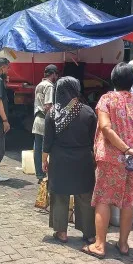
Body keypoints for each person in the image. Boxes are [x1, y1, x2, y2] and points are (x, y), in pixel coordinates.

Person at [84, 62, 133, 259]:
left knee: (104, 199)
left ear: (113, 79)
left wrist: (125, 149)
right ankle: (123, 244)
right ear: (132, 80)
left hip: (112, 158)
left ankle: (99, 245)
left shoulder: (107, 99)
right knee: (128, 201)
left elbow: (105, 128)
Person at [42, 77, 96, 244]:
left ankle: (61, 232)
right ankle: (89, 233)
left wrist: (44, 160)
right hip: (83, 160)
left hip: (60, 160)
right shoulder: (88, 112)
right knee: (85, 196)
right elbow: (93, 139)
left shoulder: (52, 113)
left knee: (60, 195)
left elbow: (47, 141)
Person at [32, 64, 58, 182]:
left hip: (37, 119)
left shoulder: (39, 85)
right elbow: (48, 106)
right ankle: (43, 175)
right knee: (45, 148)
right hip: (44, 120)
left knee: (37, 148)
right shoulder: (49, 86)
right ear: (53, 74)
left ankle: (39, 174)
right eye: (56, 74)